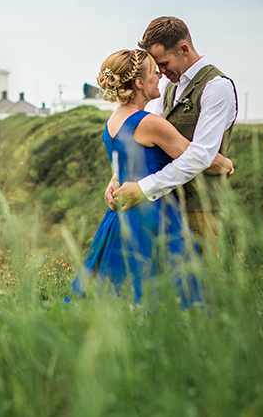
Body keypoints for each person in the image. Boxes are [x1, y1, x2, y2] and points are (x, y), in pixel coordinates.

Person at [71, 49, 233, 305]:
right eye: (154, 71)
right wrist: (225, 162)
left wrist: (113, 182)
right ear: (138, 83)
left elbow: (126, 162)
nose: (160, 76)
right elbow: (199, 158)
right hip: (153, 214)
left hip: (120, 216)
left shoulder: (113, 120)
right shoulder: (149, 123)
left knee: (118, 291)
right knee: (166, 292)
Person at [106, 17, 237, 241]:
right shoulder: (168, 85)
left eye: (164, 64)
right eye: (157, 67)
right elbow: (148, 141)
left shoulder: (217, 87)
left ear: (183, 49)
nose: (161, 72)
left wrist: (144, 188)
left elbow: (201, 156)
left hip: (201, 207)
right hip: (166, 206)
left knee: (201, 273)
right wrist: (118, 177)